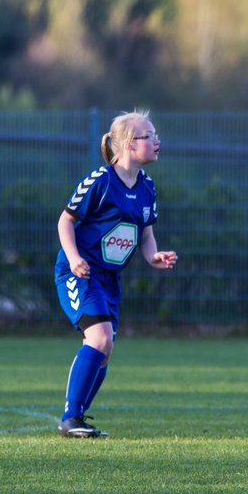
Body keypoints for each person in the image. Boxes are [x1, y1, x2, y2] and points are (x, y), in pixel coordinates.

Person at [55, 110, 178, 438]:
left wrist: (154, 256)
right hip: (79, 272)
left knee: (105, 349)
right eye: (148, 135)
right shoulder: (100, 181)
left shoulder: (147, 187)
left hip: (109, 279)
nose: (156, 141)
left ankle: (77, 418)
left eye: (155, 135)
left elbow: (146, 234)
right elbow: (65, 221)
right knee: (100, 339)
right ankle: (70, 419)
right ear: (126, 144)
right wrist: (74, 257)